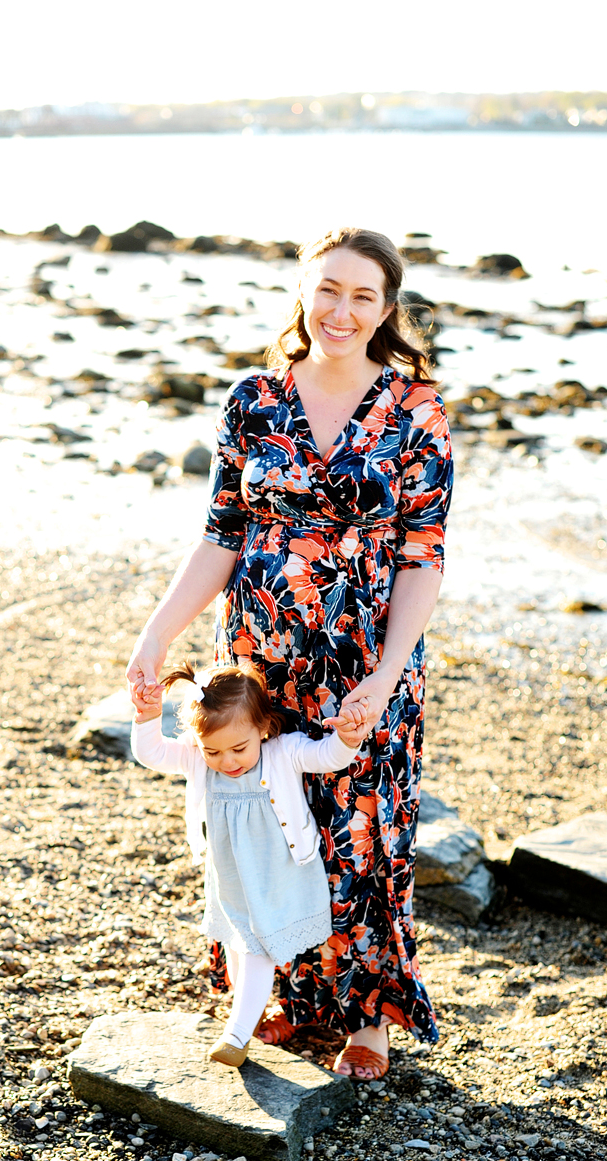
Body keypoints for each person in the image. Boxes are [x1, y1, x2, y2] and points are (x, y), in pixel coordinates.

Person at [126, 226, 453, 1080]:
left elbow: (424, 556)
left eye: (364, 296)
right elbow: (219, 540)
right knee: (267, 828)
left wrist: (386, 674)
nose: (343, 310)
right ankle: (285, 996)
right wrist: (156, 634)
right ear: (304, 291)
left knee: (364, 830)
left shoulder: (415, 408)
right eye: (329, 289)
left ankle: (368, 1015)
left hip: (367, 666)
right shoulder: (254, 399)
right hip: (261, 665)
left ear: (386, 309)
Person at [130, 661, 369, 1067]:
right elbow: (150, 753)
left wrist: (346, 739)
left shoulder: (283, 753)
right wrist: (147, 716)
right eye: (214, 750)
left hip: (279, 873)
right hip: (232, 878)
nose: (227, 761)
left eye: (239, 748)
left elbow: (326, 756)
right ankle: (248, 1012)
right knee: (237, 945)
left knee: (256, 945)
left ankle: (237, 1034)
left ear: (262, 728)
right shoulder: (197, 761)